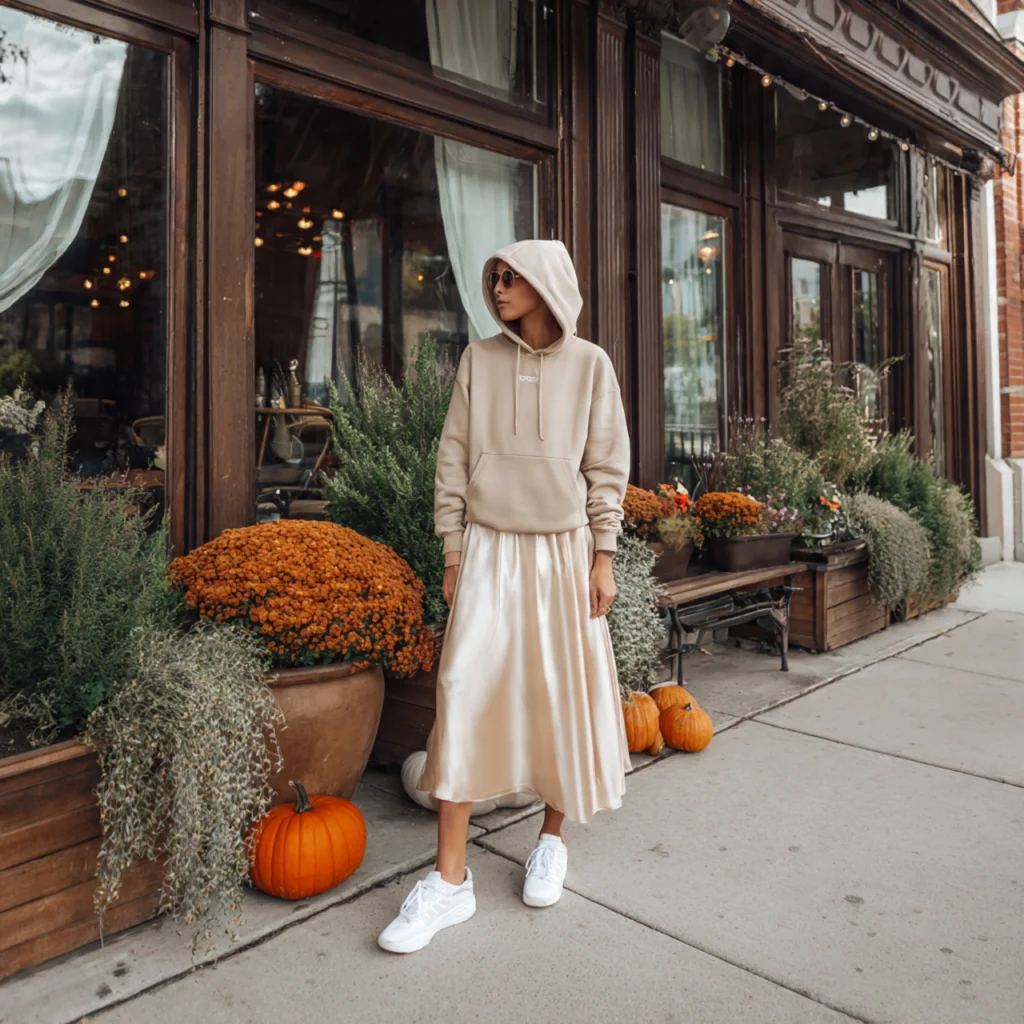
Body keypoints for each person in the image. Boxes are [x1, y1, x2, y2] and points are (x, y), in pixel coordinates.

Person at [377, 239, 631, 955]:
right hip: (488, 548)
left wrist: (603, 557)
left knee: (562, 692)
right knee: (463, 690)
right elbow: (451, 458)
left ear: (547, 284)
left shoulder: (591, 366)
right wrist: (454, 550)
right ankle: (450, 880)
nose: (496, 287)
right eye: (492, 277)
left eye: (510, 277)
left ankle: (551, 838)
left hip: (564, 552)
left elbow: (607, 466)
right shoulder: (477, 362)